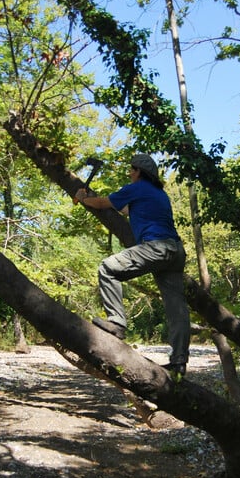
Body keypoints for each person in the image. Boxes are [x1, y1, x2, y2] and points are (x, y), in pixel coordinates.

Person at [75, 153, 190, 376]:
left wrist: (82, 198)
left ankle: (117, 322)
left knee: (108, 268)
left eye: (131, 169)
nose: (129, 173)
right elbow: (125, 209)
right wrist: (93, 197)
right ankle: (179, 362)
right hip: (175, 251)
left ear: (138, 172)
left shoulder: (137, 187)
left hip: (156, 248)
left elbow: (102, 204)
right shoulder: (158, 194)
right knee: (176, 308)